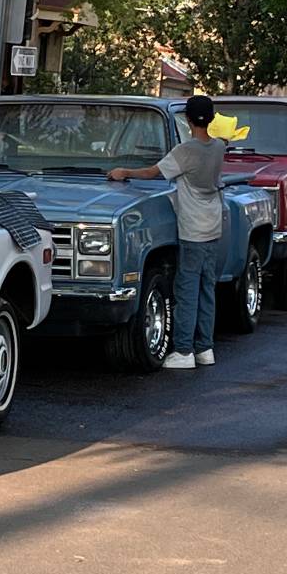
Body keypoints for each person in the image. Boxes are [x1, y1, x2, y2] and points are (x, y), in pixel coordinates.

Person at [107, 95, 225, 369]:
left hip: (193, 229)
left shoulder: (186, 152)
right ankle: (205, 348)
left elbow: (152, 172)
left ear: (187, 119)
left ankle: (183, 350)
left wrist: (123, 171)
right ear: (211, 118)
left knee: (186, 290)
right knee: (208, 290)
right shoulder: (218, 148)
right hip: (213, 225)